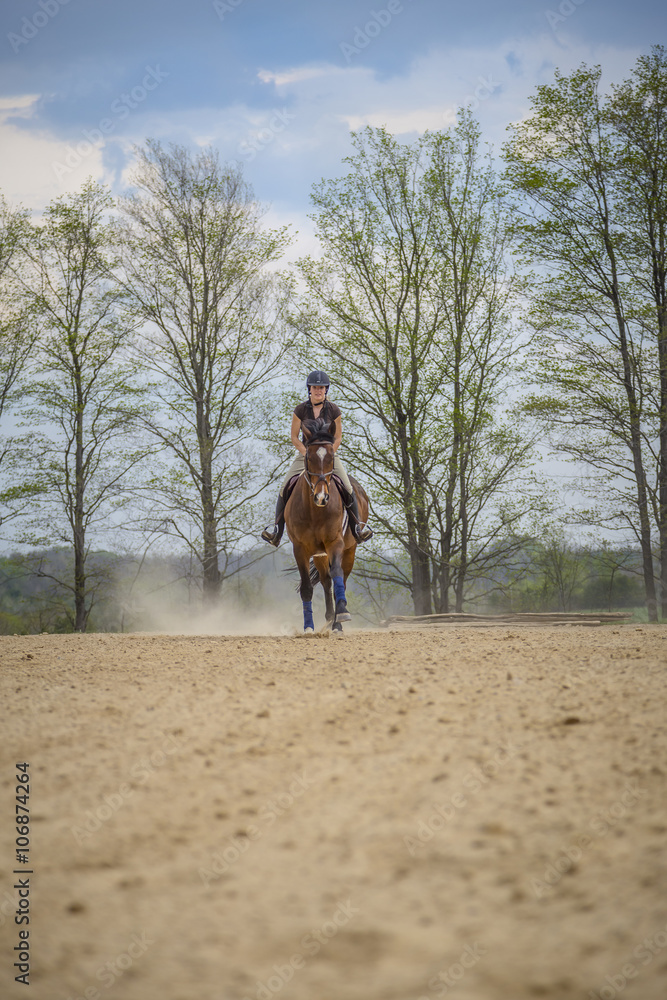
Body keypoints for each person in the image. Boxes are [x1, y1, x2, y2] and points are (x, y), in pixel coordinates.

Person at [261, 370, 373, 547]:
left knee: (349, 487)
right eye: (315, 387)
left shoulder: (334, 410)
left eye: (321, 387)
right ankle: (277, 531)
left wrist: (329, 454)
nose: (318, 390)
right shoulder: (300, 410)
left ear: (326, 389)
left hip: (328, 457)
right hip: (305, 456)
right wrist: (306, 454)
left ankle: (357, 529)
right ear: (309, 389)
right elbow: (295, 437)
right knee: (284, 487)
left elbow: (338, 438)